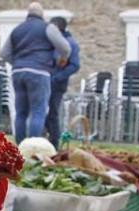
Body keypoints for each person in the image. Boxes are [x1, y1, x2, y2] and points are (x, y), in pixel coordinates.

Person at [0, 2, 71, 144]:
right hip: (39, 72)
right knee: (38, 111)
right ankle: (32, 147)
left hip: (18, 72)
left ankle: (19, 148)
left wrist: (18, 63)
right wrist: (62, 60)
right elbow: (65, 48)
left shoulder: (17, 29)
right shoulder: (47, 27)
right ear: (42, 14)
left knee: (21, 112)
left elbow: (4, 53)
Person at [45, 17, 80, 150]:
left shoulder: (70, 43)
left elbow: (75, 65)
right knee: (43, 112)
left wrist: (57, 78)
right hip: (45, 81)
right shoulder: (50, 43)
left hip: (57, 84)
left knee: (52, 113)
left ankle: (54, 143)